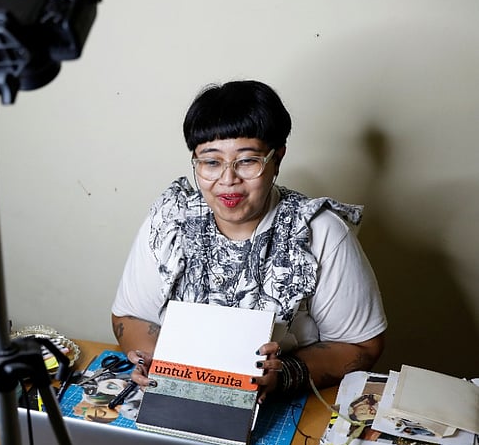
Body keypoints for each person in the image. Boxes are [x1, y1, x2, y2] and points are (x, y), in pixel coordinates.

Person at [110, 80, 387, 401]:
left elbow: (363, 345)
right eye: (211, 162)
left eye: (247, 161)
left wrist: (285, 375)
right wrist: (159, 364)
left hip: (285, 405)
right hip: (179, 400)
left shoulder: (320, 232)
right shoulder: (170, 221)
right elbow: (127, 317)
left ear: (276, 159)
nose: (228, 180)